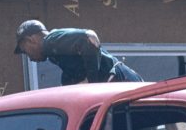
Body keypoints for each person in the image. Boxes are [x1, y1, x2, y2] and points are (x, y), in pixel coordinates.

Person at [14, 19, 143, 85]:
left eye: (25, 51)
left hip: (120, 78)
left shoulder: (50, 41)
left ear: (31, 40)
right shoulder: (55, 54)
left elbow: (90, 37)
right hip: (123, 79)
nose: (29, 58)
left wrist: (92, 82)